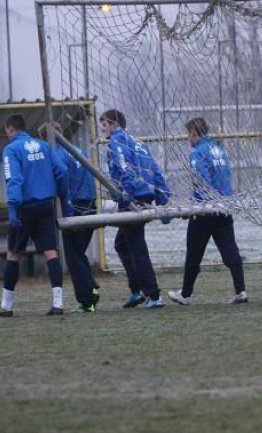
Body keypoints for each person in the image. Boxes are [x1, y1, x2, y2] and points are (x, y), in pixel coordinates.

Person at [167, 117, 247, 306]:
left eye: (188, 134)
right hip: (223, 207)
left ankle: (185, 294)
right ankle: (241, 290)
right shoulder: (220, 150)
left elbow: (202, 183)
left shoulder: (198, 153)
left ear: (194, 132)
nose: (188, 138)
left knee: (194, 252)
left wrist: (194, 205)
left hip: (206, 210)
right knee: (230, 251)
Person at [100, 109, 170, 309]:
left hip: (133, 197)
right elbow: (155, 171)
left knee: (137, 247)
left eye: (104, 125)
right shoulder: (139, 143)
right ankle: (136, 291)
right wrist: (162, 198)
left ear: (114, 124)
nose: (103, 129)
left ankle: (153, 295)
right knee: (122, 244)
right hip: (146, 195)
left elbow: (123, 170)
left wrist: (127, 195)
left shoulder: (117, 141)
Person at [1, 114, 71, 316]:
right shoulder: (44, 146)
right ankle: (58, 303)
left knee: (14, 254)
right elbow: (62, 171)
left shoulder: (11, 149)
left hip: (24, 207)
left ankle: (6, 306)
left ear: (10, 129)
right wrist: (63, 197)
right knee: (51, 252)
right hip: (46, 205)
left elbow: (14, 179)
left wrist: (13, 208)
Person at [39, 123, 101, 313]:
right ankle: (90, 290)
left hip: (75, 206)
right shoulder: (77, 150)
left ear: (45, 138)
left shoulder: (56, 154)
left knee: (73, 256)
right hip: (91, 204)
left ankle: (88, 297)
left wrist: (65, 205)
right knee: (78, 252)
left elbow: (62, 178)